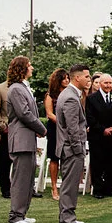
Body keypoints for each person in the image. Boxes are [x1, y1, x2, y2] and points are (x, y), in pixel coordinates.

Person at [5, 56, 47, 223]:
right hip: (20, 140)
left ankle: (22, 213)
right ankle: (15, 216)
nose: (32, 68)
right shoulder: (15, 89)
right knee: (21, 179)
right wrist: (42, 128)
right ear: (21, 69)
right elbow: (24, 113)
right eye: (29, 65)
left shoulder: (23, 87)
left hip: (27, 139)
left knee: (28, 179)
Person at [57, 64, 90, 223]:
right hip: (71, 149)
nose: (89, 80)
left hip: (70, 148)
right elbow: (72, 128)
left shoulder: (71, 95)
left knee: (70, 184)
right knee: (69, 185)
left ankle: (69, 217)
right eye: (87, 77)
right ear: (77, 78)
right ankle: (67, 221)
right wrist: (79, 149)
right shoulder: (70, 97)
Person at [86, 72, 112, 198]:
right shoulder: (91, 98)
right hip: (97, 136)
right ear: (100, 84)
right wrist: (103, 129)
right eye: (105, 83)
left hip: (111, 136)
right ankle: (97, 189)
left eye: (110, 82)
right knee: (97, 163)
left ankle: (109, 188)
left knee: (110, 162)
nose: (108, 85)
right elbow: (90, 118)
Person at [43, 69, 66, 201]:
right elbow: (49, 113)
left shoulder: (70, 94)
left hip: (67, 129)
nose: (67, 80)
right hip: (55, 128)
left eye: (68, 78)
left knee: (66, 157)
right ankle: (54, 187)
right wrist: (62, 122)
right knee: (54, 158)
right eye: (64, 78)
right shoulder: (50, 95)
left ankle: (65, 186)